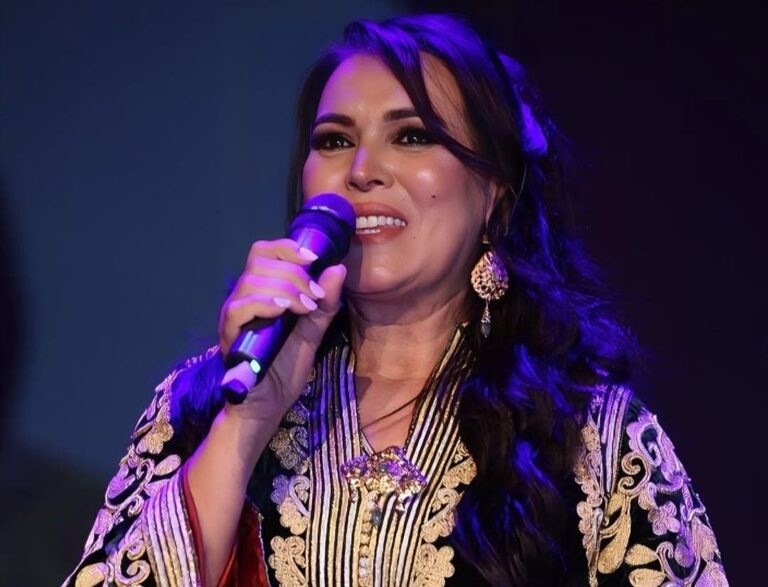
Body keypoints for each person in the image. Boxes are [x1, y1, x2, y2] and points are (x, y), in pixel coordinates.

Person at [63, 14, 727, 587]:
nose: (361, 171)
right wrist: (245, 424)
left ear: (494, 193)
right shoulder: (202, 404)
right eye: (334, 140)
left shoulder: (591, 436)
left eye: (411, 135)